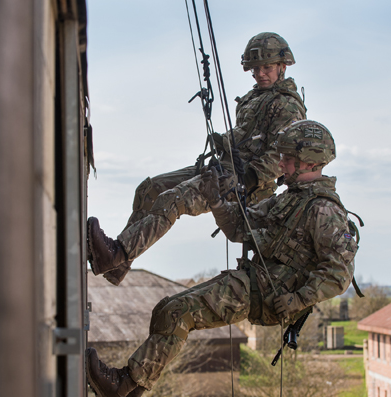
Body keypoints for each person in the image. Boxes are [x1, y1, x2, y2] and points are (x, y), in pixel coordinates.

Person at [86, 120, 359, 397]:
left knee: (178, 313)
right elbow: (239, 227)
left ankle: (123, 384)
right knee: (166, 310)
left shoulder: (326, 210)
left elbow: (339, 274)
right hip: (255, 281)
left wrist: (298, 299)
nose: (280, 163)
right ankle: (128, 396)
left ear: (309, 161)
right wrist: (216, 199)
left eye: (288, 159)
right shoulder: (288, 199)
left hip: (269, 295)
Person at [87, 32, 307, 286]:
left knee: (173, 199)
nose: (260, 74)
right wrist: (224, 140)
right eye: (255, 69)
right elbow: (249, 139)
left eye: (267, 68)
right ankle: (118, 265)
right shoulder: (255, 98)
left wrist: (248, 177)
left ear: (283, 66)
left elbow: (282, 154)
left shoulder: (287, 105)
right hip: (224, 169)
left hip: (247, 185)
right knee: (150, 188)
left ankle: (116, 253)